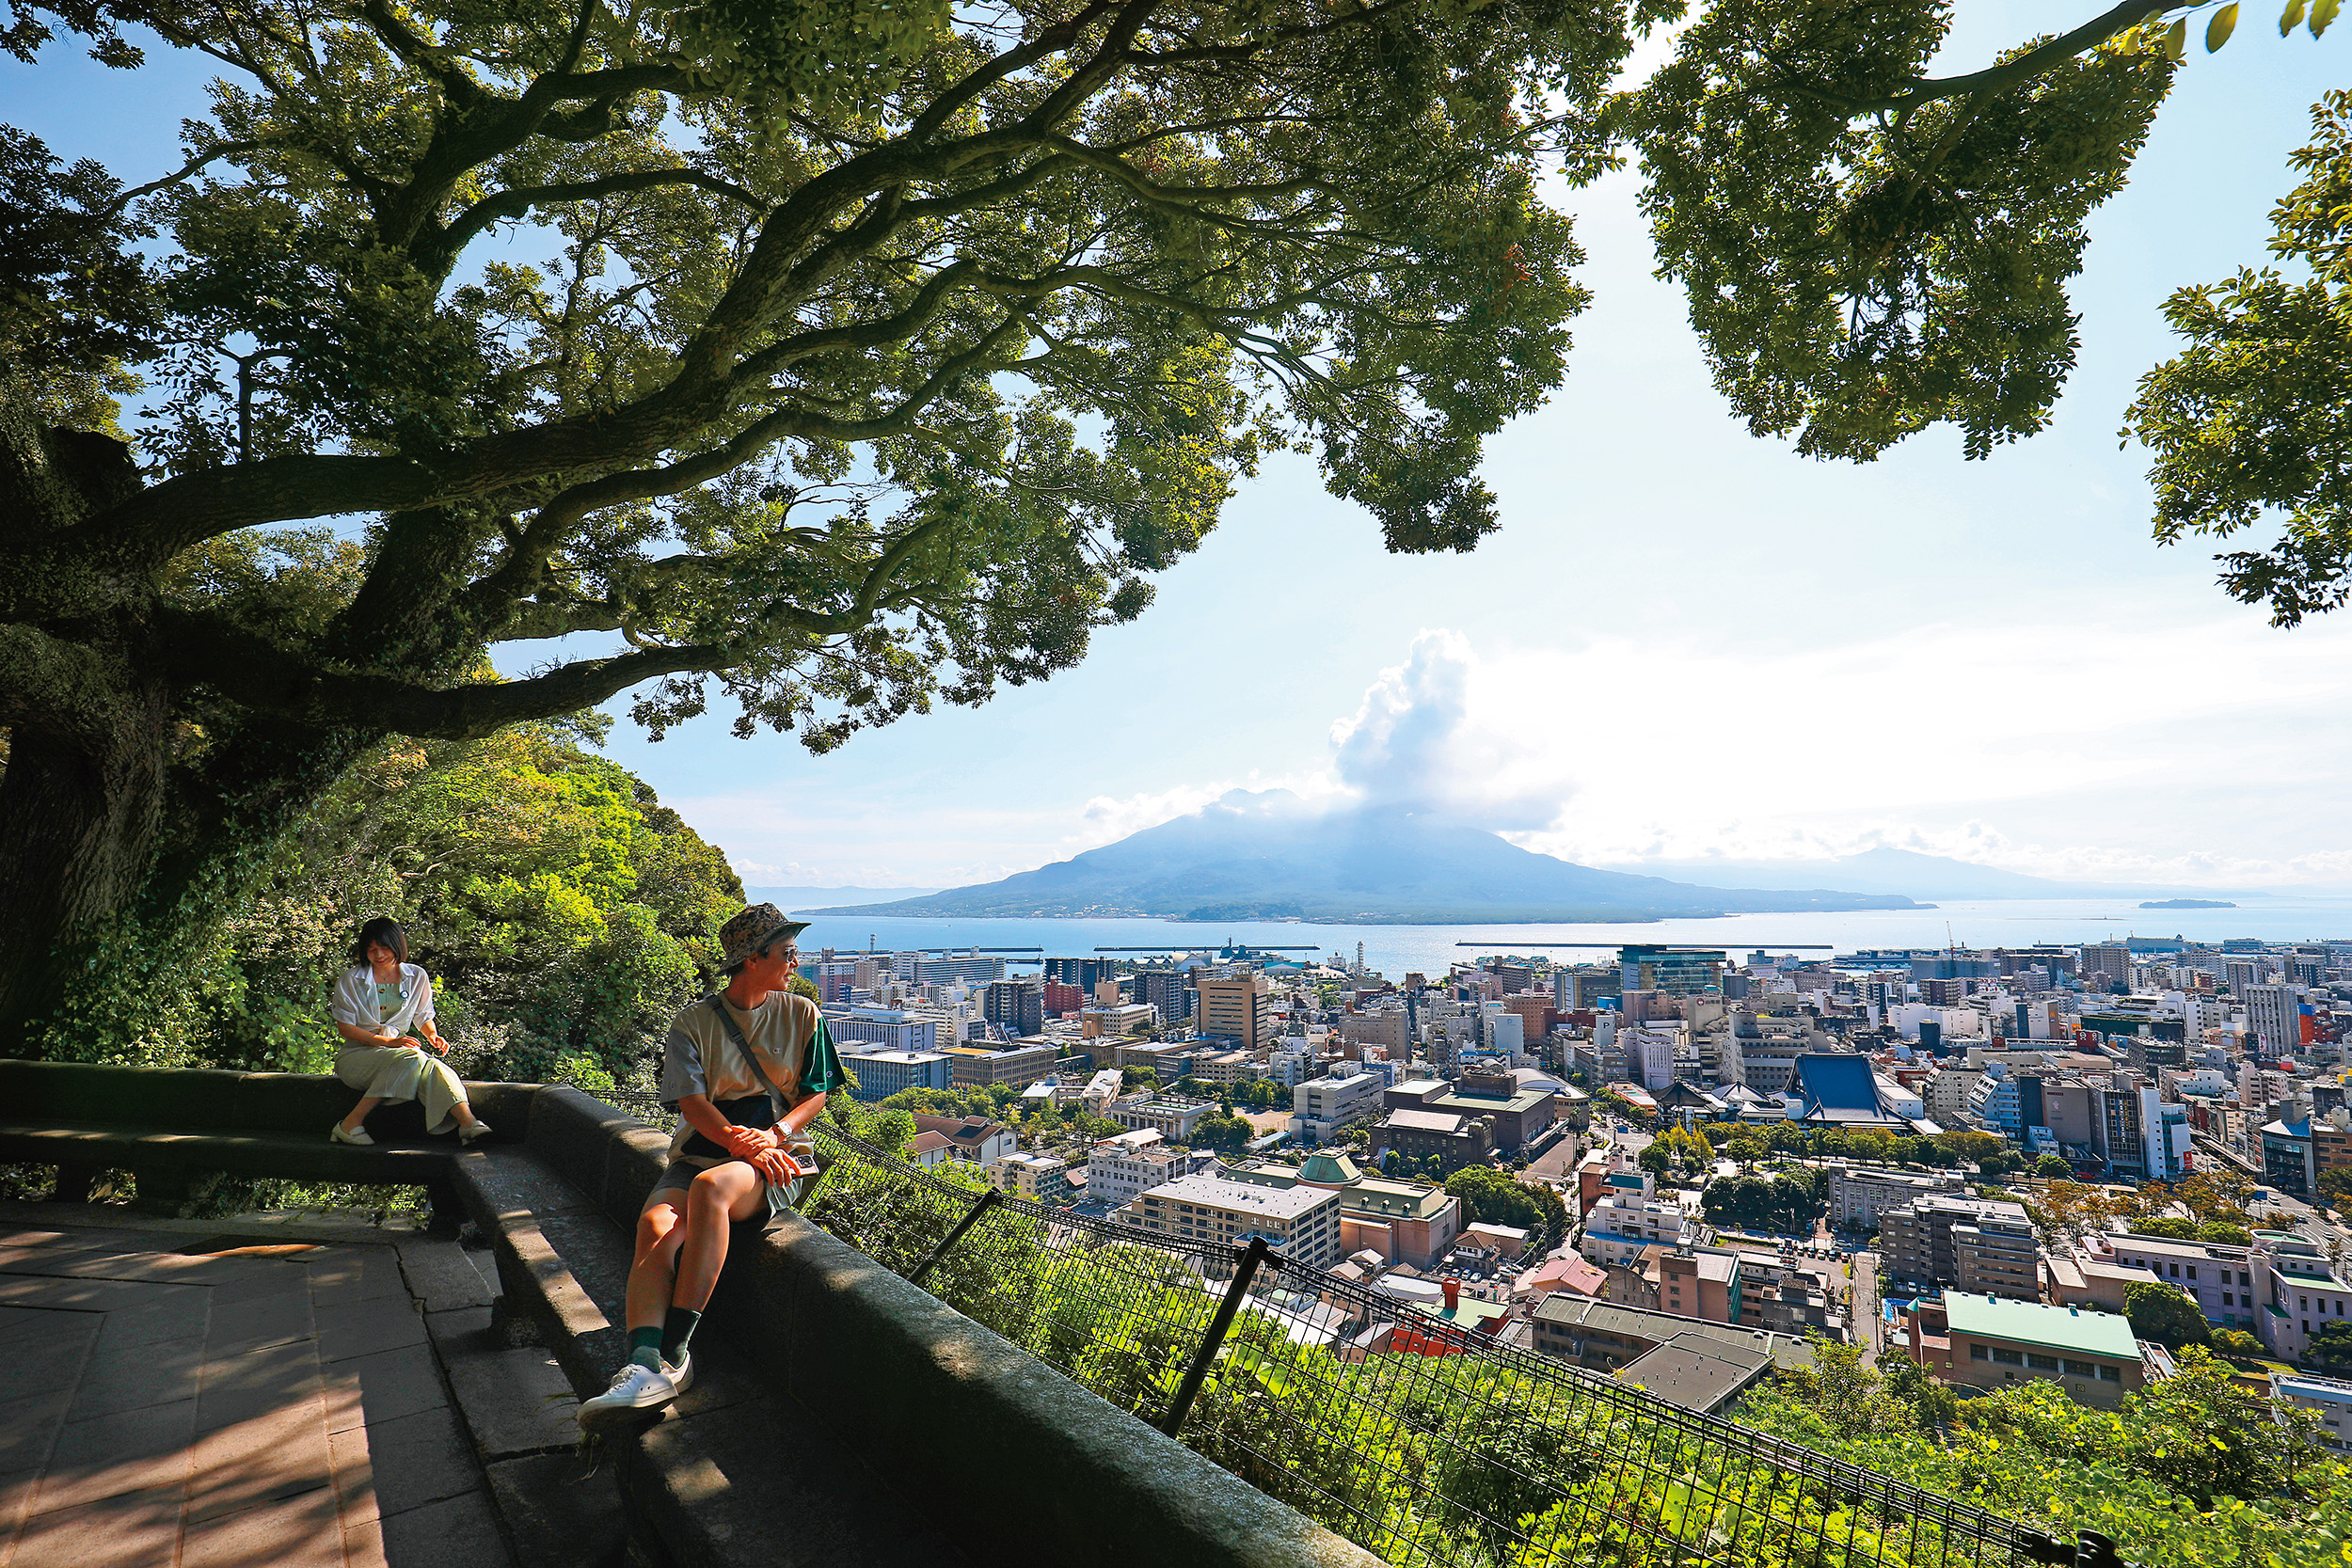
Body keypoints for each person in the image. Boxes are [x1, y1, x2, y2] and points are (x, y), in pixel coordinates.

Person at [576, 903, 844, 1426]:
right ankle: (641, 1362)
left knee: (710, 1190)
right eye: (786, 952)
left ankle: (674, 1356)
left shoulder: (801, 1013)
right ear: (752, 959)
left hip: (776, 1158)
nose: (796, 961)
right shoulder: (694, 1022)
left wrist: (774, 1135)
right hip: (705, 1149)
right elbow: (690, 1101)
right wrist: (735, 1140)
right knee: (654, 1224)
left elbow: (816, 1094)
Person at [327, 917, 492, 1146]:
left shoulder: (417, 976)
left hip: (399, 1057)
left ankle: (468, 1124)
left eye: (384, 948)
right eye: (372, 949)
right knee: (413, 1057)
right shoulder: (350, 980)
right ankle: (349, 1124)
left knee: (433, 1065)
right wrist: (387, 1042)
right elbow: (346, 1028)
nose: (378, 955)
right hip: (358, 1057)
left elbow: (423, 1016)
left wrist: (432, 1035)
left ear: (398, 945)